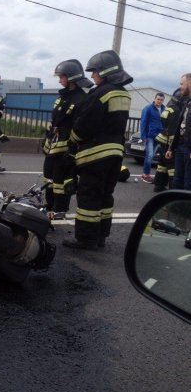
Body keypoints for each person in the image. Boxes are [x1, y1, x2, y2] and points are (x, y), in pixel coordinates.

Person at [62, 50, 132, 250]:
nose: (92, 76)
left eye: (94, 72)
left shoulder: (100, 93)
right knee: (105, 195)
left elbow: (85, 124)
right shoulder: (124, 94)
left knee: (89, 196)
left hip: (96, 154)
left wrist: (73, 140)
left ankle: (85, 239)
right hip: (116, 153)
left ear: (104, 71)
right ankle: (101, 236)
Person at [43, 59, 91, 218]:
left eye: (62, 77)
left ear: (71, 78)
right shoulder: (63, 97)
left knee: (61, 182)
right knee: (49, 179)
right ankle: (49, 206)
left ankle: (60, 210)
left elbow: (81, 128)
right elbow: (55, 119)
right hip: (53, 147)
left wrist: (72, 153)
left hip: (66, 150)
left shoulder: (82, 100)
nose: (59, 80)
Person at [153, 88, 185, 192]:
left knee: (162, 164)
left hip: (162, 140)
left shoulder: (169, 107)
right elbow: (173, 131)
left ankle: (158, 185)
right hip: (168, 142)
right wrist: (172, 147)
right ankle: (172, 189)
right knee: (172, 166)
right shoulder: (176, 111)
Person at [165, 73, 191, 190]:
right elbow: (179, 126)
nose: (180, 87)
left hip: (189, 149)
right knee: (176, 181)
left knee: (188, 183)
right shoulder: (186, 103)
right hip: (180, 147)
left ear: (189, 83)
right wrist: (171, 148)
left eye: (182, 84)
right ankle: (176, 206)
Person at [140, 93, 165, 183]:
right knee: (149, 155)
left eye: (161, 100)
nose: (159, 101)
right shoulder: (147, 108)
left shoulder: (164, 109)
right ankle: (146, 175)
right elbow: (143, 122)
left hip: (159, 137)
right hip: (149, 136)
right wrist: (143, 136)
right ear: (154, 99)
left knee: (152, 156)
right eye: (158, 99)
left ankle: (145, 174)